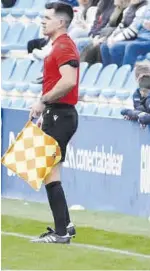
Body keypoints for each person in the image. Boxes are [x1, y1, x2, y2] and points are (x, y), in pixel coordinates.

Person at [28, 2, 80, 244]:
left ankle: (61, 231)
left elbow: (69, 81)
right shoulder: (58, 46)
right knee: (50, 170)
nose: (43, 21)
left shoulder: (63, 46)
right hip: (57, 114)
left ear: (61, 22)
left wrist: (43, 100)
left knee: (49, 171)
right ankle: (65, 225)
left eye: (47, 18)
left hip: (59, 114)